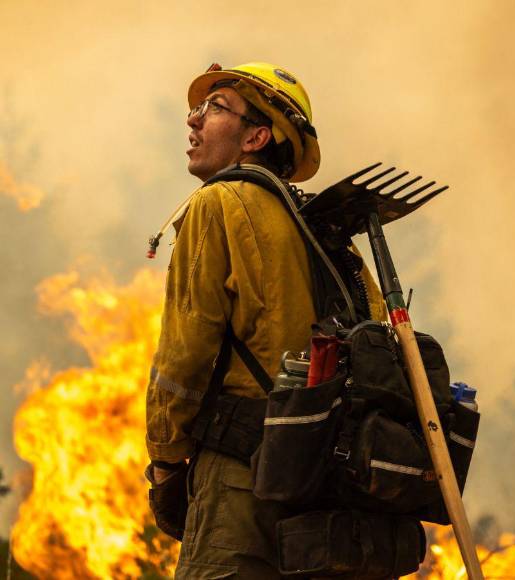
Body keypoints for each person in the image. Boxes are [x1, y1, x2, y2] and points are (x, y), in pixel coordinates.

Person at [144, 62, 385, 579]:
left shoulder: (218, 205)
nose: (193, 121)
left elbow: (184, 356)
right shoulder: (327, 234)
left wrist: (165, 463)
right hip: (327, 486)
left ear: (256, 136)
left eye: (215, 108)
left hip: (241, 483)